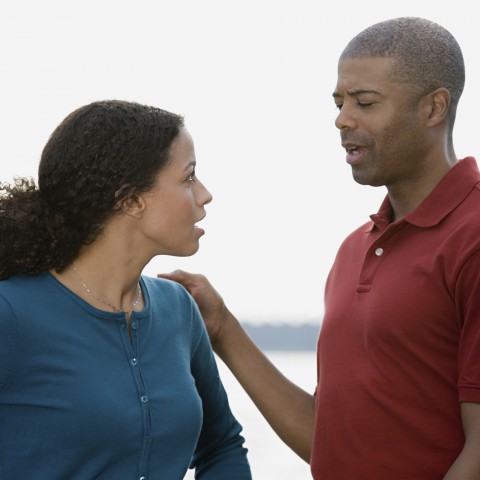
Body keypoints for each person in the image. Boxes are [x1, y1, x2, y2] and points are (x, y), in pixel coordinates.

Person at [160, 17, 480, 479]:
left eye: (365, 102)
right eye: (339, 101)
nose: (342, 119)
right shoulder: (355, 250)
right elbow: (328, 440)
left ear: (434, 108)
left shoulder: (471, 238)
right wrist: (223, 329)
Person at [0, 100, 252, 479]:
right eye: (188, 178)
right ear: (130, 199)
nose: (204, 195)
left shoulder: (178, 309)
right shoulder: (11, 313)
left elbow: (222, 445)